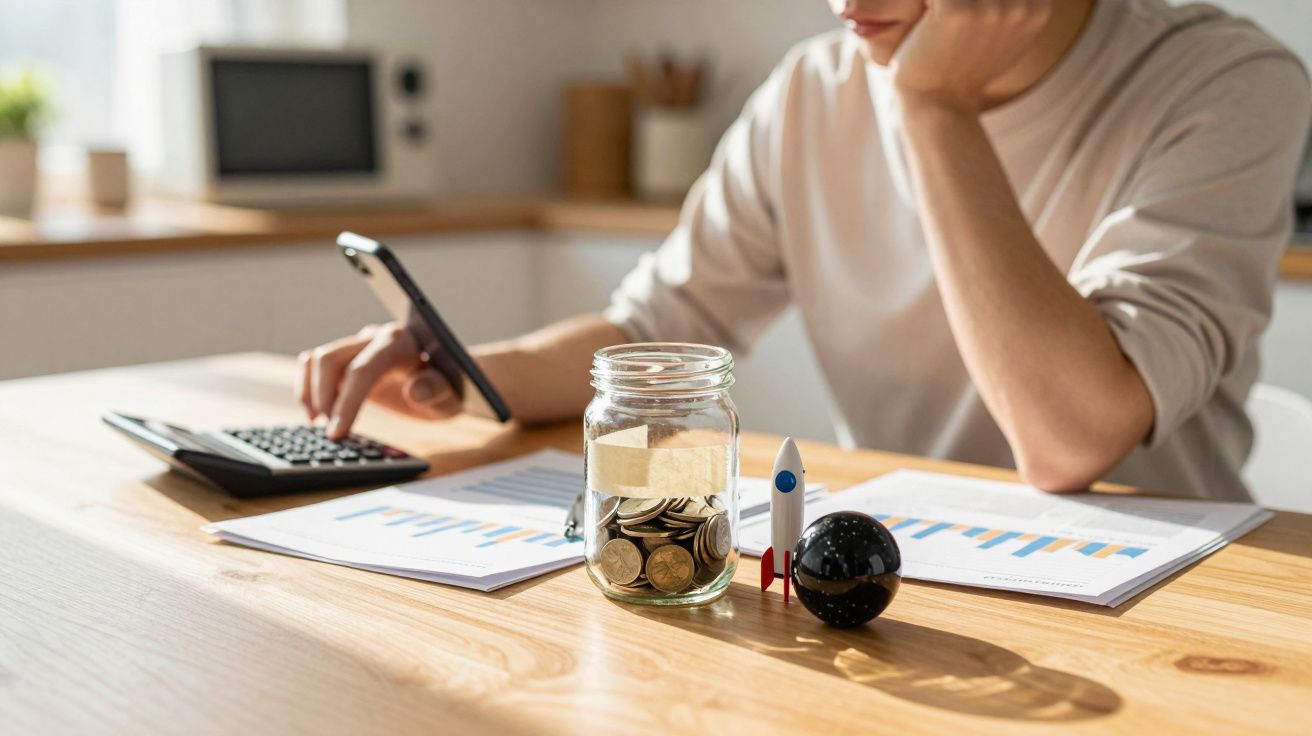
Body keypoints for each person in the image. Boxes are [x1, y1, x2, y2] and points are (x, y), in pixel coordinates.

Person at [298, 0, 1311, 501]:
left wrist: (929, 103)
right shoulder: (810, 91)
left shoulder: (1225, 81)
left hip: (1161, 590)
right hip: (899, 569)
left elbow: (1068, 439)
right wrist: (466, 370)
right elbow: (659, 329)